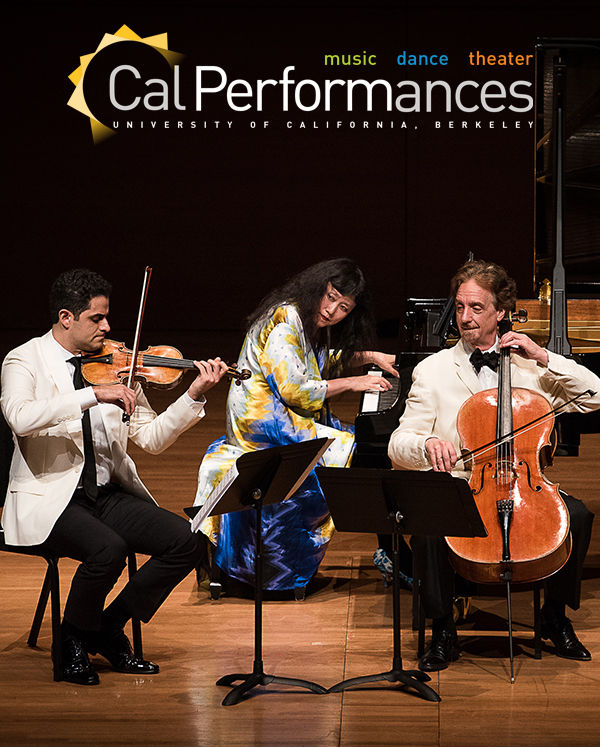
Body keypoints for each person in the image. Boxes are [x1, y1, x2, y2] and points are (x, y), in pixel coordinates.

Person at [1, 268, 229, 685]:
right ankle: (70, 640)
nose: (107, 328)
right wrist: (92, 395)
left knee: (189, 542)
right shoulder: (24, 359)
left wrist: (193, 394)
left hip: (105, 495)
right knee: (108, 550)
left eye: (108, 317)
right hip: (51, 498)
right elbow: (21, 418)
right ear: (66, 317)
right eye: (96, 319)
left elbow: (151, 438)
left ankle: (106, 626)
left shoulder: (117, 365)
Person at [388, 259, 600, 671]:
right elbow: (399, 443)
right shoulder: (433, 371)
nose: (465, 318)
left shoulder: (529, 366)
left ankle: (554, 617)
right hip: (462, 485)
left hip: (525, 485)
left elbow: (595, 394)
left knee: (578, 516)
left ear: (501, 313)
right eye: (461, 307)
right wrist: (428, 443)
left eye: (477, 308)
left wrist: (543, 355)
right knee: (431, 528)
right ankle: (442, 628)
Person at [194, 258, 396, 593]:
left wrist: (371, 356)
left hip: (283, 420)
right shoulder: (285, 320)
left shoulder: (302, 320)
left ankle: (389, 551)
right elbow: (296, 389)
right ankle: (390, 553)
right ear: (318, 287)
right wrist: (352, 383)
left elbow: (315, 363)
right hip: (264, 426)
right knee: (360, 452)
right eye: (330, 297)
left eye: (343, 306)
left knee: (362, 448)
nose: (332, 310)